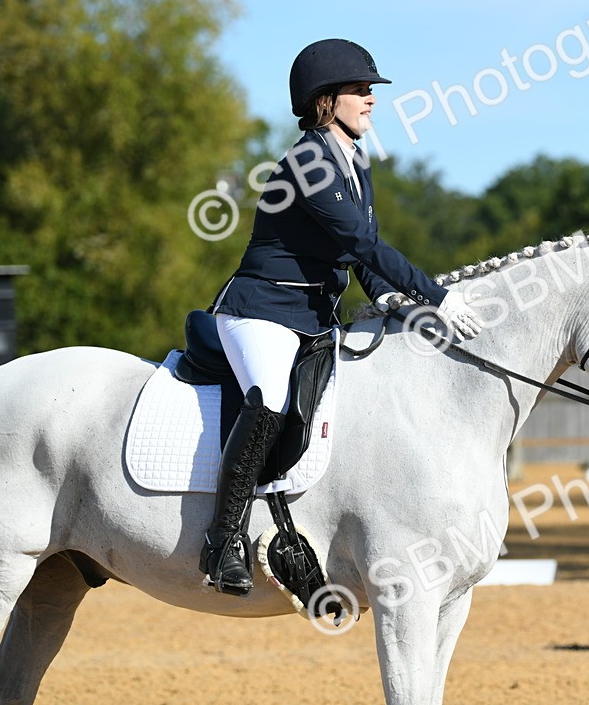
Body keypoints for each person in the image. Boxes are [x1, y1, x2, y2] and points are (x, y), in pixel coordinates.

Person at [198, 38, 484, 596]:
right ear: (325, 100)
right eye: (360, 90)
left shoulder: (355, 160)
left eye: (370, 90)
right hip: (262, 312)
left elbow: (360, 250)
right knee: (270, 397)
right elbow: (360, 241)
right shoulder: (308, 161)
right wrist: (437, 296)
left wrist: (386, 297)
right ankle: (222, 541)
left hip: (313, 318)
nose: (371, 99)